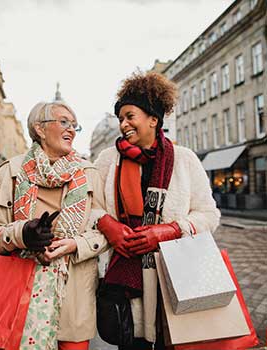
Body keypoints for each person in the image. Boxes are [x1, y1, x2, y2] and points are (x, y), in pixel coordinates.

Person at [94, 71, 221, 350]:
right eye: (120, 119)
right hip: (126, 284)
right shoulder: (107, 160)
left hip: (174, 278)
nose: (123, 124)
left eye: (130, 116)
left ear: (153, 119)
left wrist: (171, 230)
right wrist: (107, 224)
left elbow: (209, 215)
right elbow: (90, 206)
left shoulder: (184, 159)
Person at [0, 101, 108, 350]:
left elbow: (104, 230)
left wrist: (75, 244)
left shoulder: (89, 173)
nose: (71, 130)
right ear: (39, 129)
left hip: (74, 295)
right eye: (64, 122)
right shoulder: (9, 172)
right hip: (20, 291)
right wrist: (23, 234)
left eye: (75, 125)